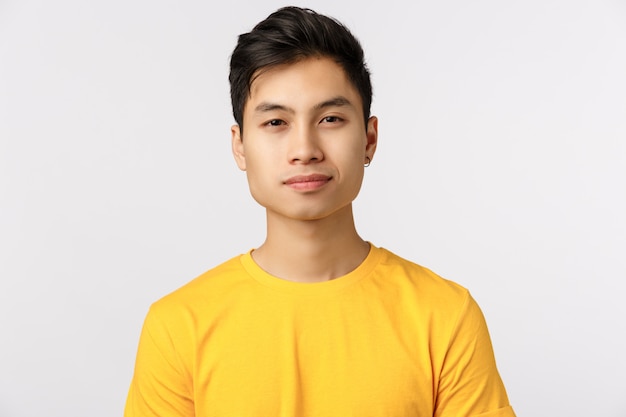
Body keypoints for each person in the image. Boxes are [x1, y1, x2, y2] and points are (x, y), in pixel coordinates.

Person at [124, 6, 516, 417]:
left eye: (330, 118)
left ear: (369, 138)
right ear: (239, 145)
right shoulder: (178, 326)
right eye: (276, 123)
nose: (305, 150)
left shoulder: (445, 316)